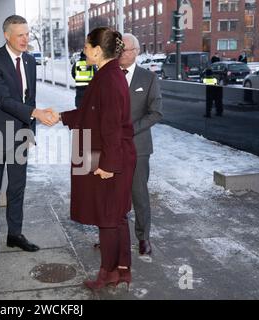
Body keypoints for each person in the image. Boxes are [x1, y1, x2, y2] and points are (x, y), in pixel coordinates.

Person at [54, 27, 136, 290]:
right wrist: (61, 117)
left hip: (109, 157)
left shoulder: (109, 79)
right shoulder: (107, 75)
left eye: (87, 46)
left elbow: (111, 125)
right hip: (111, 154)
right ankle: (122, 269)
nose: (84, 51)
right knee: (118, 215)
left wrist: (108, 166)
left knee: (108, 218)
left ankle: (108, 273)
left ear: (98, 51)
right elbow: (91, 113)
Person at [0, 15, 56, 261]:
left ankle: (15, 234)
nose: (25, 39)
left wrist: (29, 129)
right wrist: (35, 114)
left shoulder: (31, 61)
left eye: (27, 33)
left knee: (17, 188)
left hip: (20, 134)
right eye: (20, 34)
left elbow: (28, 97)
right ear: (7, 35)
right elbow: (3, 99)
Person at [119, 34, 163, 255]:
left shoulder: (148, 78)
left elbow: (156, 113)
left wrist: (129, 130)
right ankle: (113, 237)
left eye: (125, 50)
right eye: (118, 49)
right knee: (114, 195)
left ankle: (143, 237)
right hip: (112, 148)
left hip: (139, 147)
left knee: (139, 194)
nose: (121, 54)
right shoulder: (108, 75)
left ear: (136, 51)